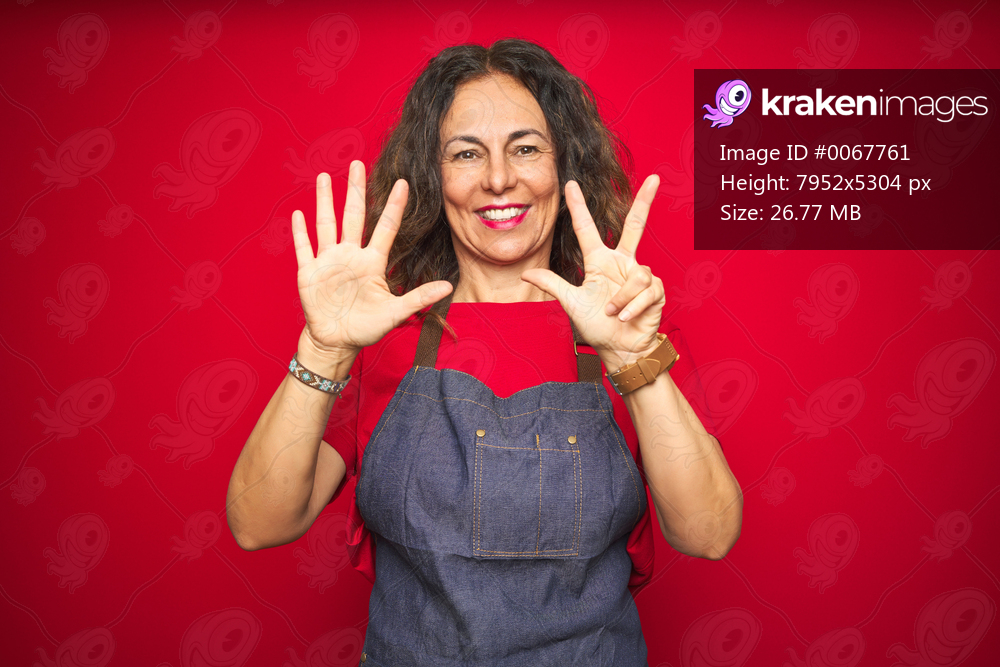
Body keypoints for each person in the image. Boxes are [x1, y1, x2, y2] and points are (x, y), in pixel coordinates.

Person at [227, 38, 742, 666]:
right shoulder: (378, 338)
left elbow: (709, 535)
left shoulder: (630, 335)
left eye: (526, 148)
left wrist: (636, 361)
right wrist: (324, 348)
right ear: (432, 176)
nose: (499, 178)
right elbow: (260, 523)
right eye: (467, 153)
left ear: (566, 166)